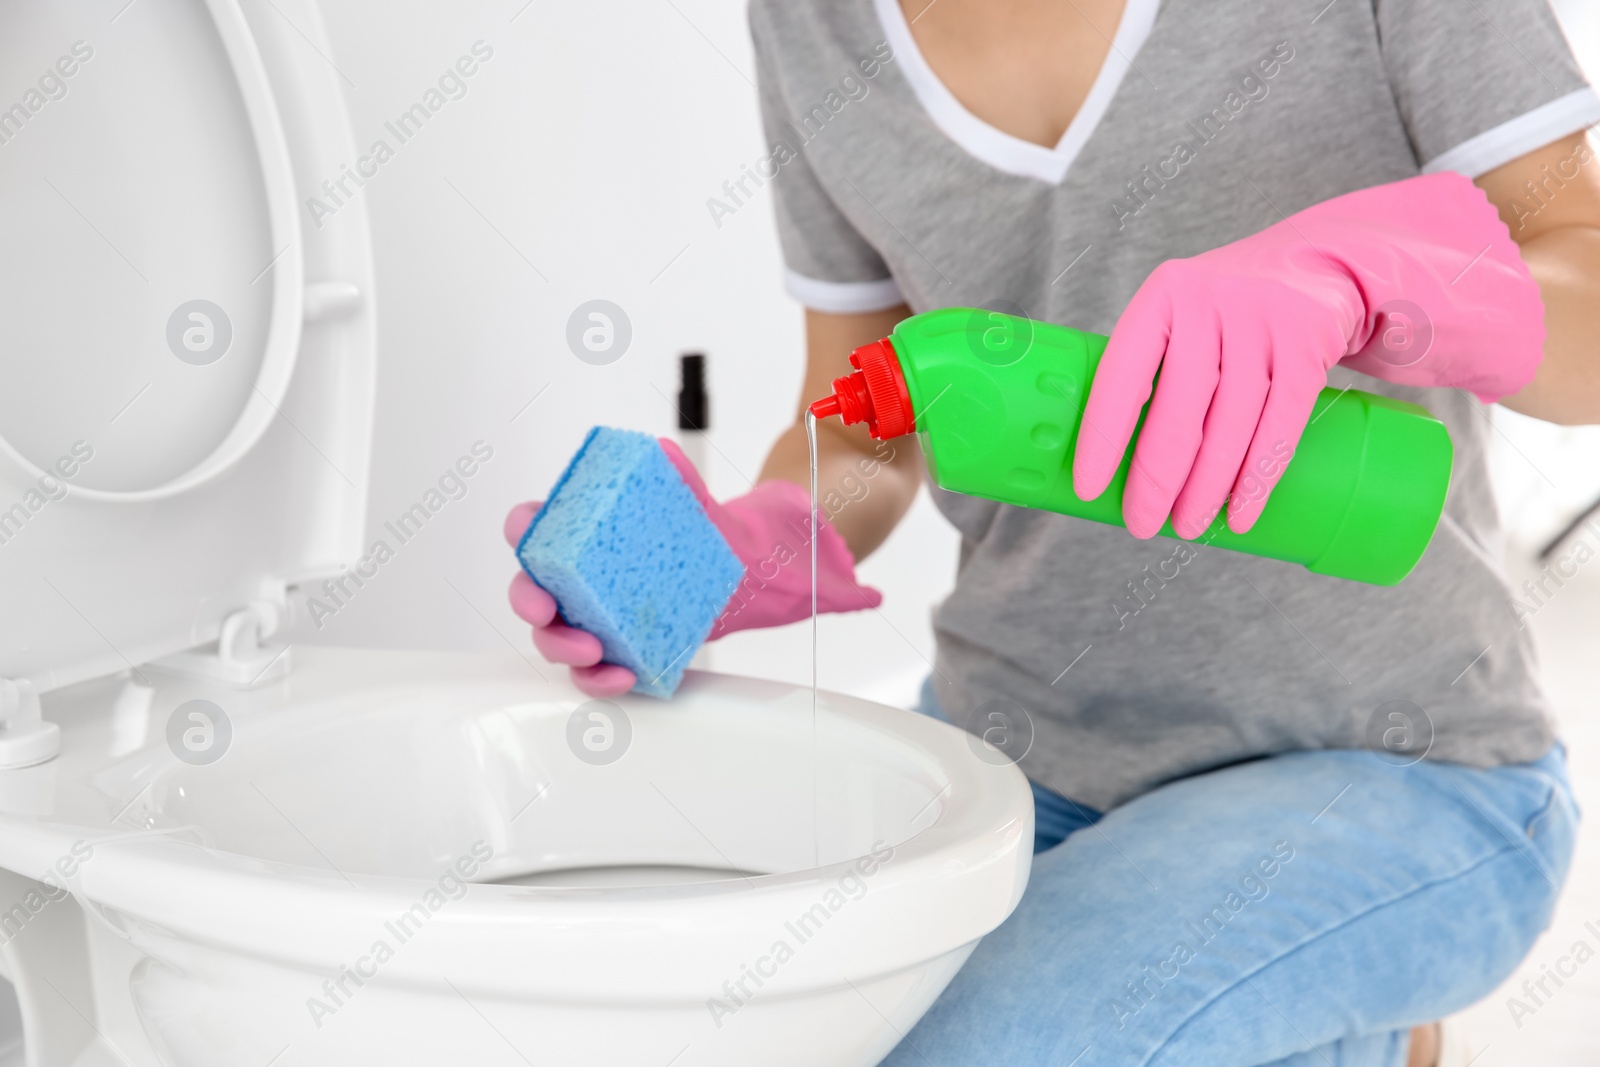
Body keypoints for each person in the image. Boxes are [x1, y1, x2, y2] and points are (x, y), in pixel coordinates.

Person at [508, 1, 1600, 1063]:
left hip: (1392, 755)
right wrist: (761, 541)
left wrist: (1380, 284)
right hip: (1012, 747)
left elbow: (1587, 297)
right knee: (747, 1023)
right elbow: (862, 419)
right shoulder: (811, 21)